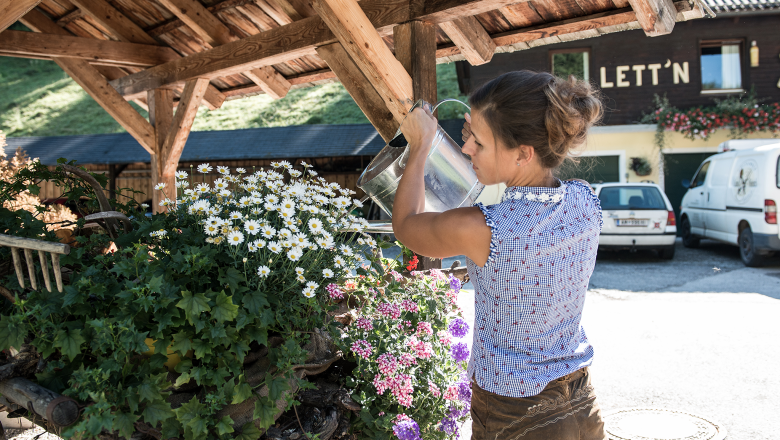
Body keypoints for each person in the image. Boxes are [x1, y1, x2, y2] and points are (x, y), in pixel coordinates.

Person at [392, 70, 605, 440]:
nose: (466, 148)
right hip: (580, 399)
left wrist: (421, 144)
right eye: (468, 132)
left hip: (515, 411)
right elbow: (534, 264)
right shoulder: (586, 202)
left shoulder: (481, 229)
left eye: (479, 142)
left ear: (523, 153)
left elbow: (407, 225)